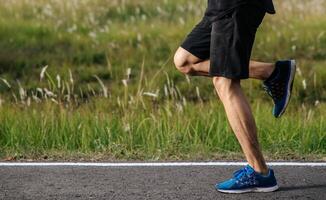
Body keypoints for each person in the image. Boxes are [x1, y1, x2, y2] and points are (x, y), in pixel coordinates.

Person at [173, 0, 296, 194]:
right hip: (220, 7)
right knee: (185, 61)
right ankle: (271, 72)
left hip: (235, 5)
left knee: (225, 81)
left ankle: (260, 172)